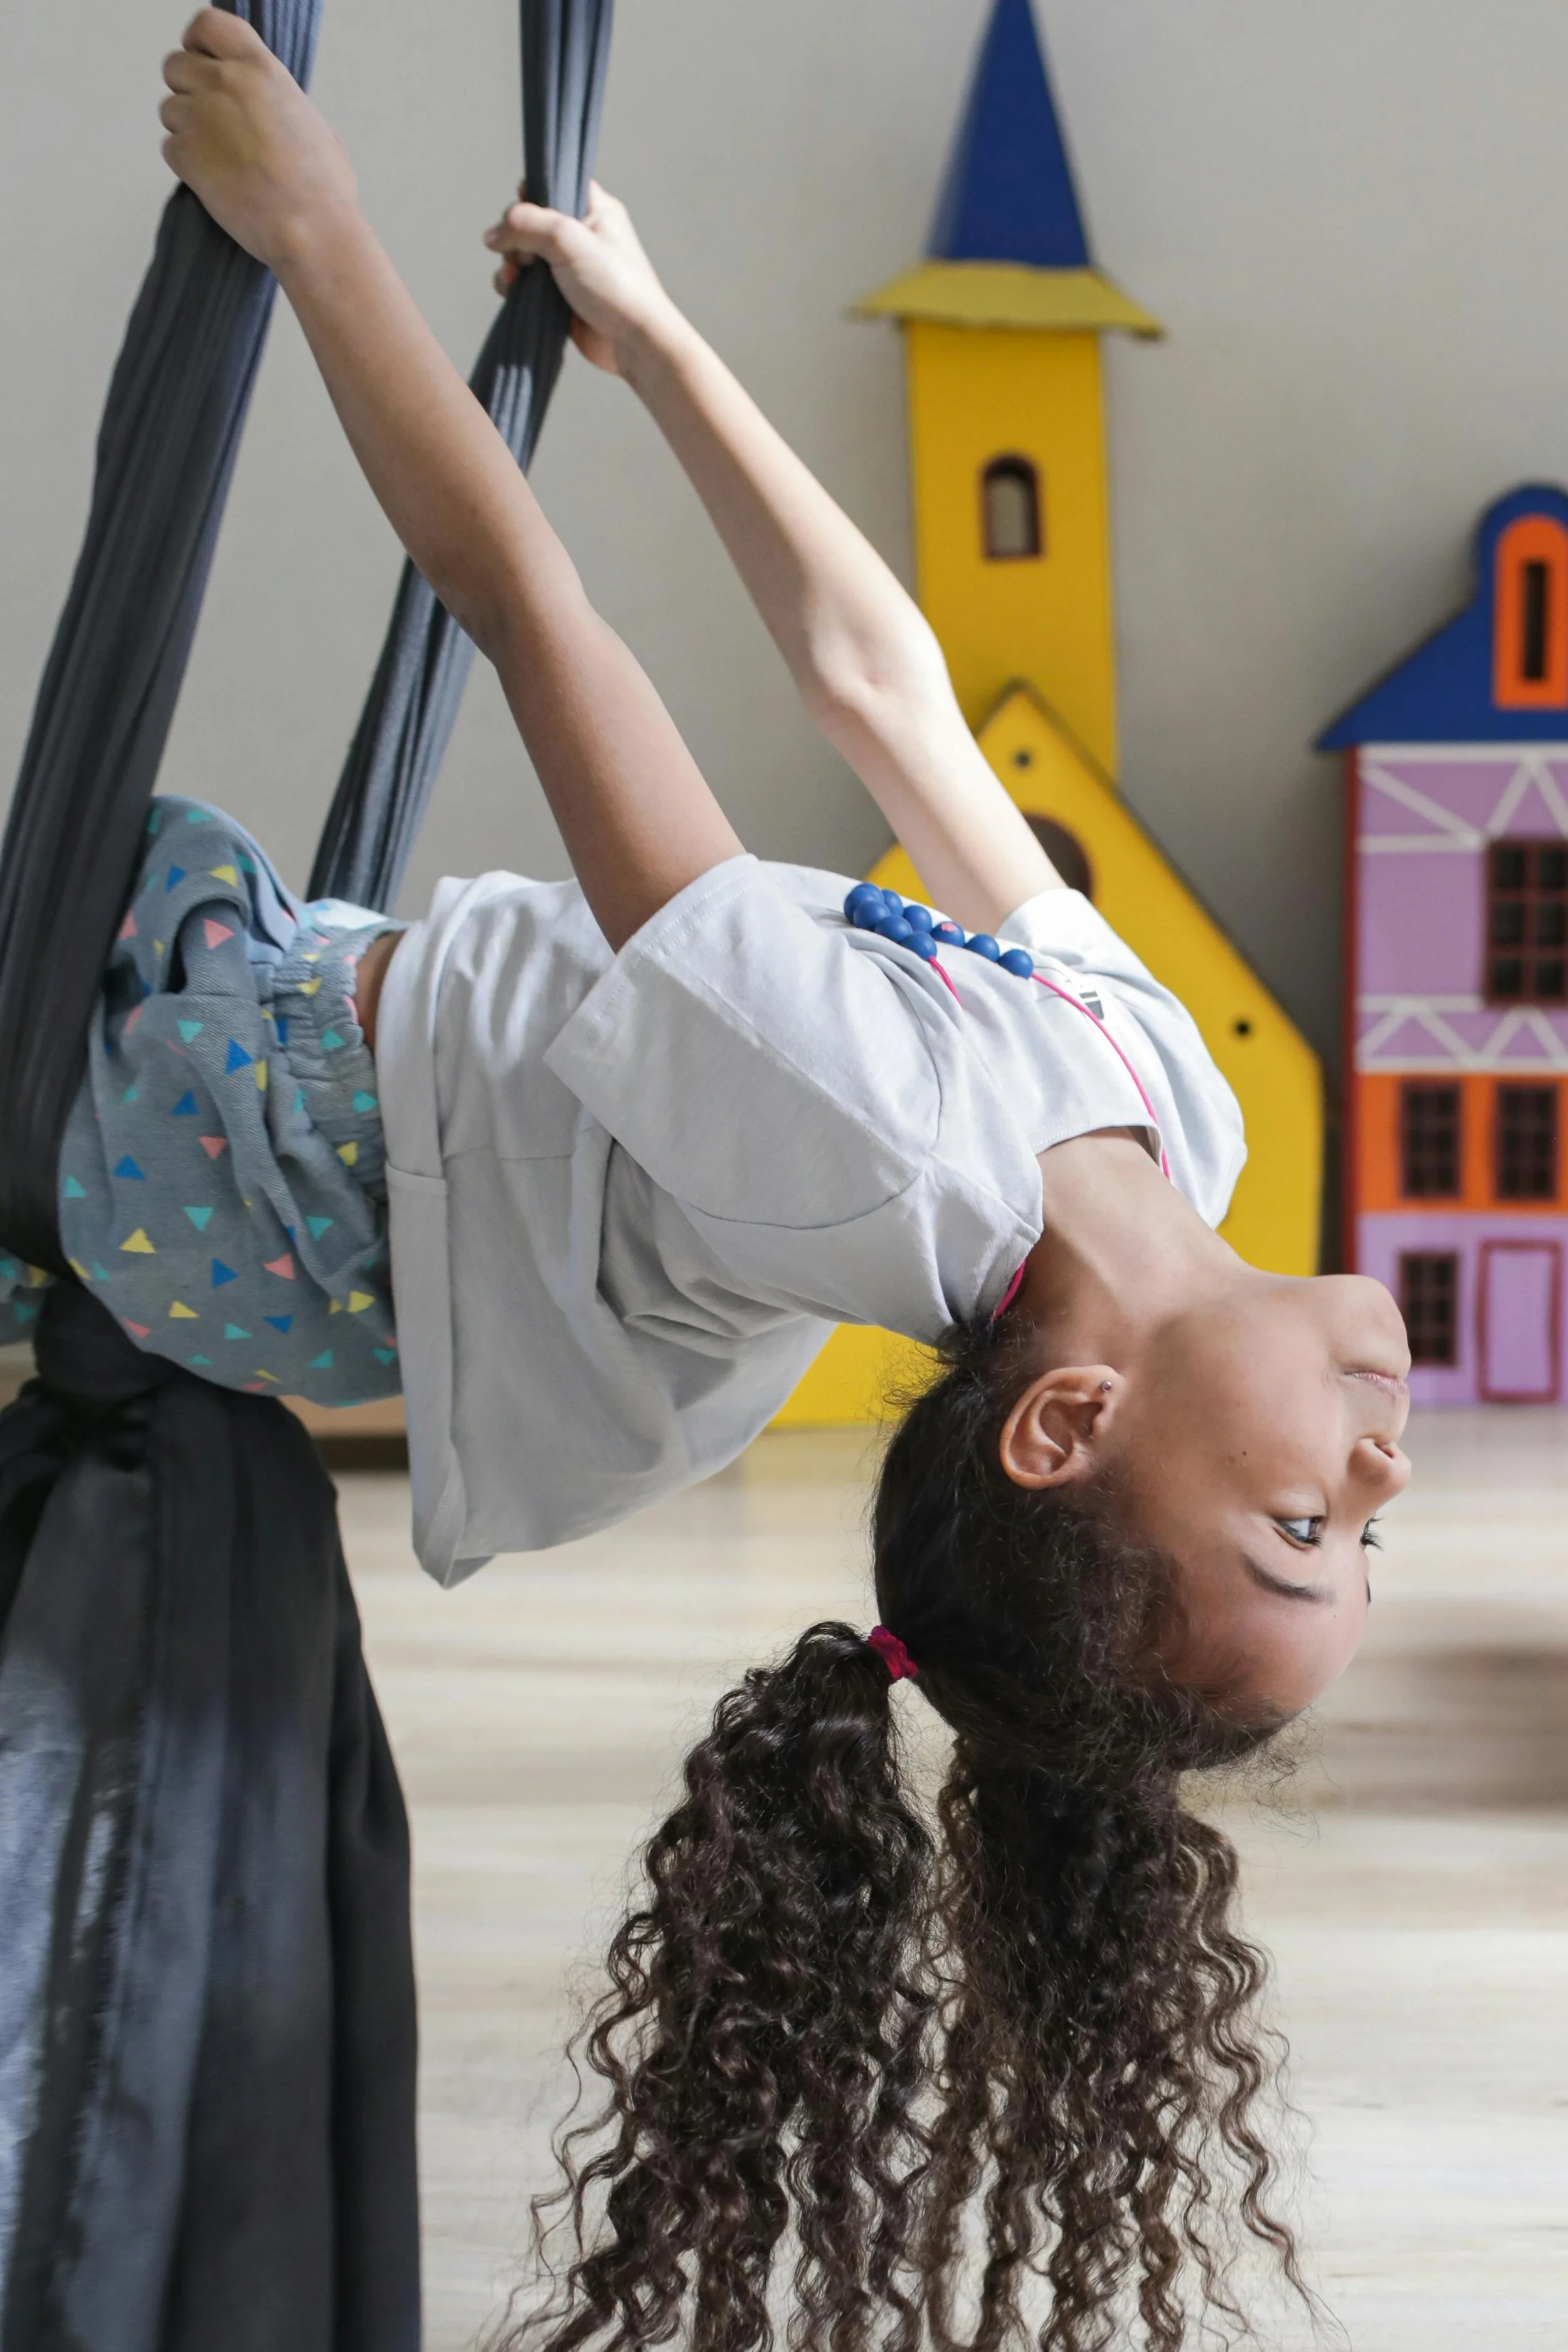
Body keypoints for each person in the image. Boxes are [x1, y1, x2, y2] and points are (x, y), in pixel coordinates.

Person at [24, 14, 1416, 2342]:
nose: (1380, 1466)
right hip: (370, 1083)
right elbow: (892, 689)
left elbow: (532, 612)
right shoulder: (1181, 1105)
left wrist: (318, 228)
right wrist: (659, 345)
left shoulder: (863, 1132)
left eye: (1306, 1525)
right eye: (1364, 1531)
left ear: (1065, 1427)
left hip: (255, 1152)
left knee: (75, 911)